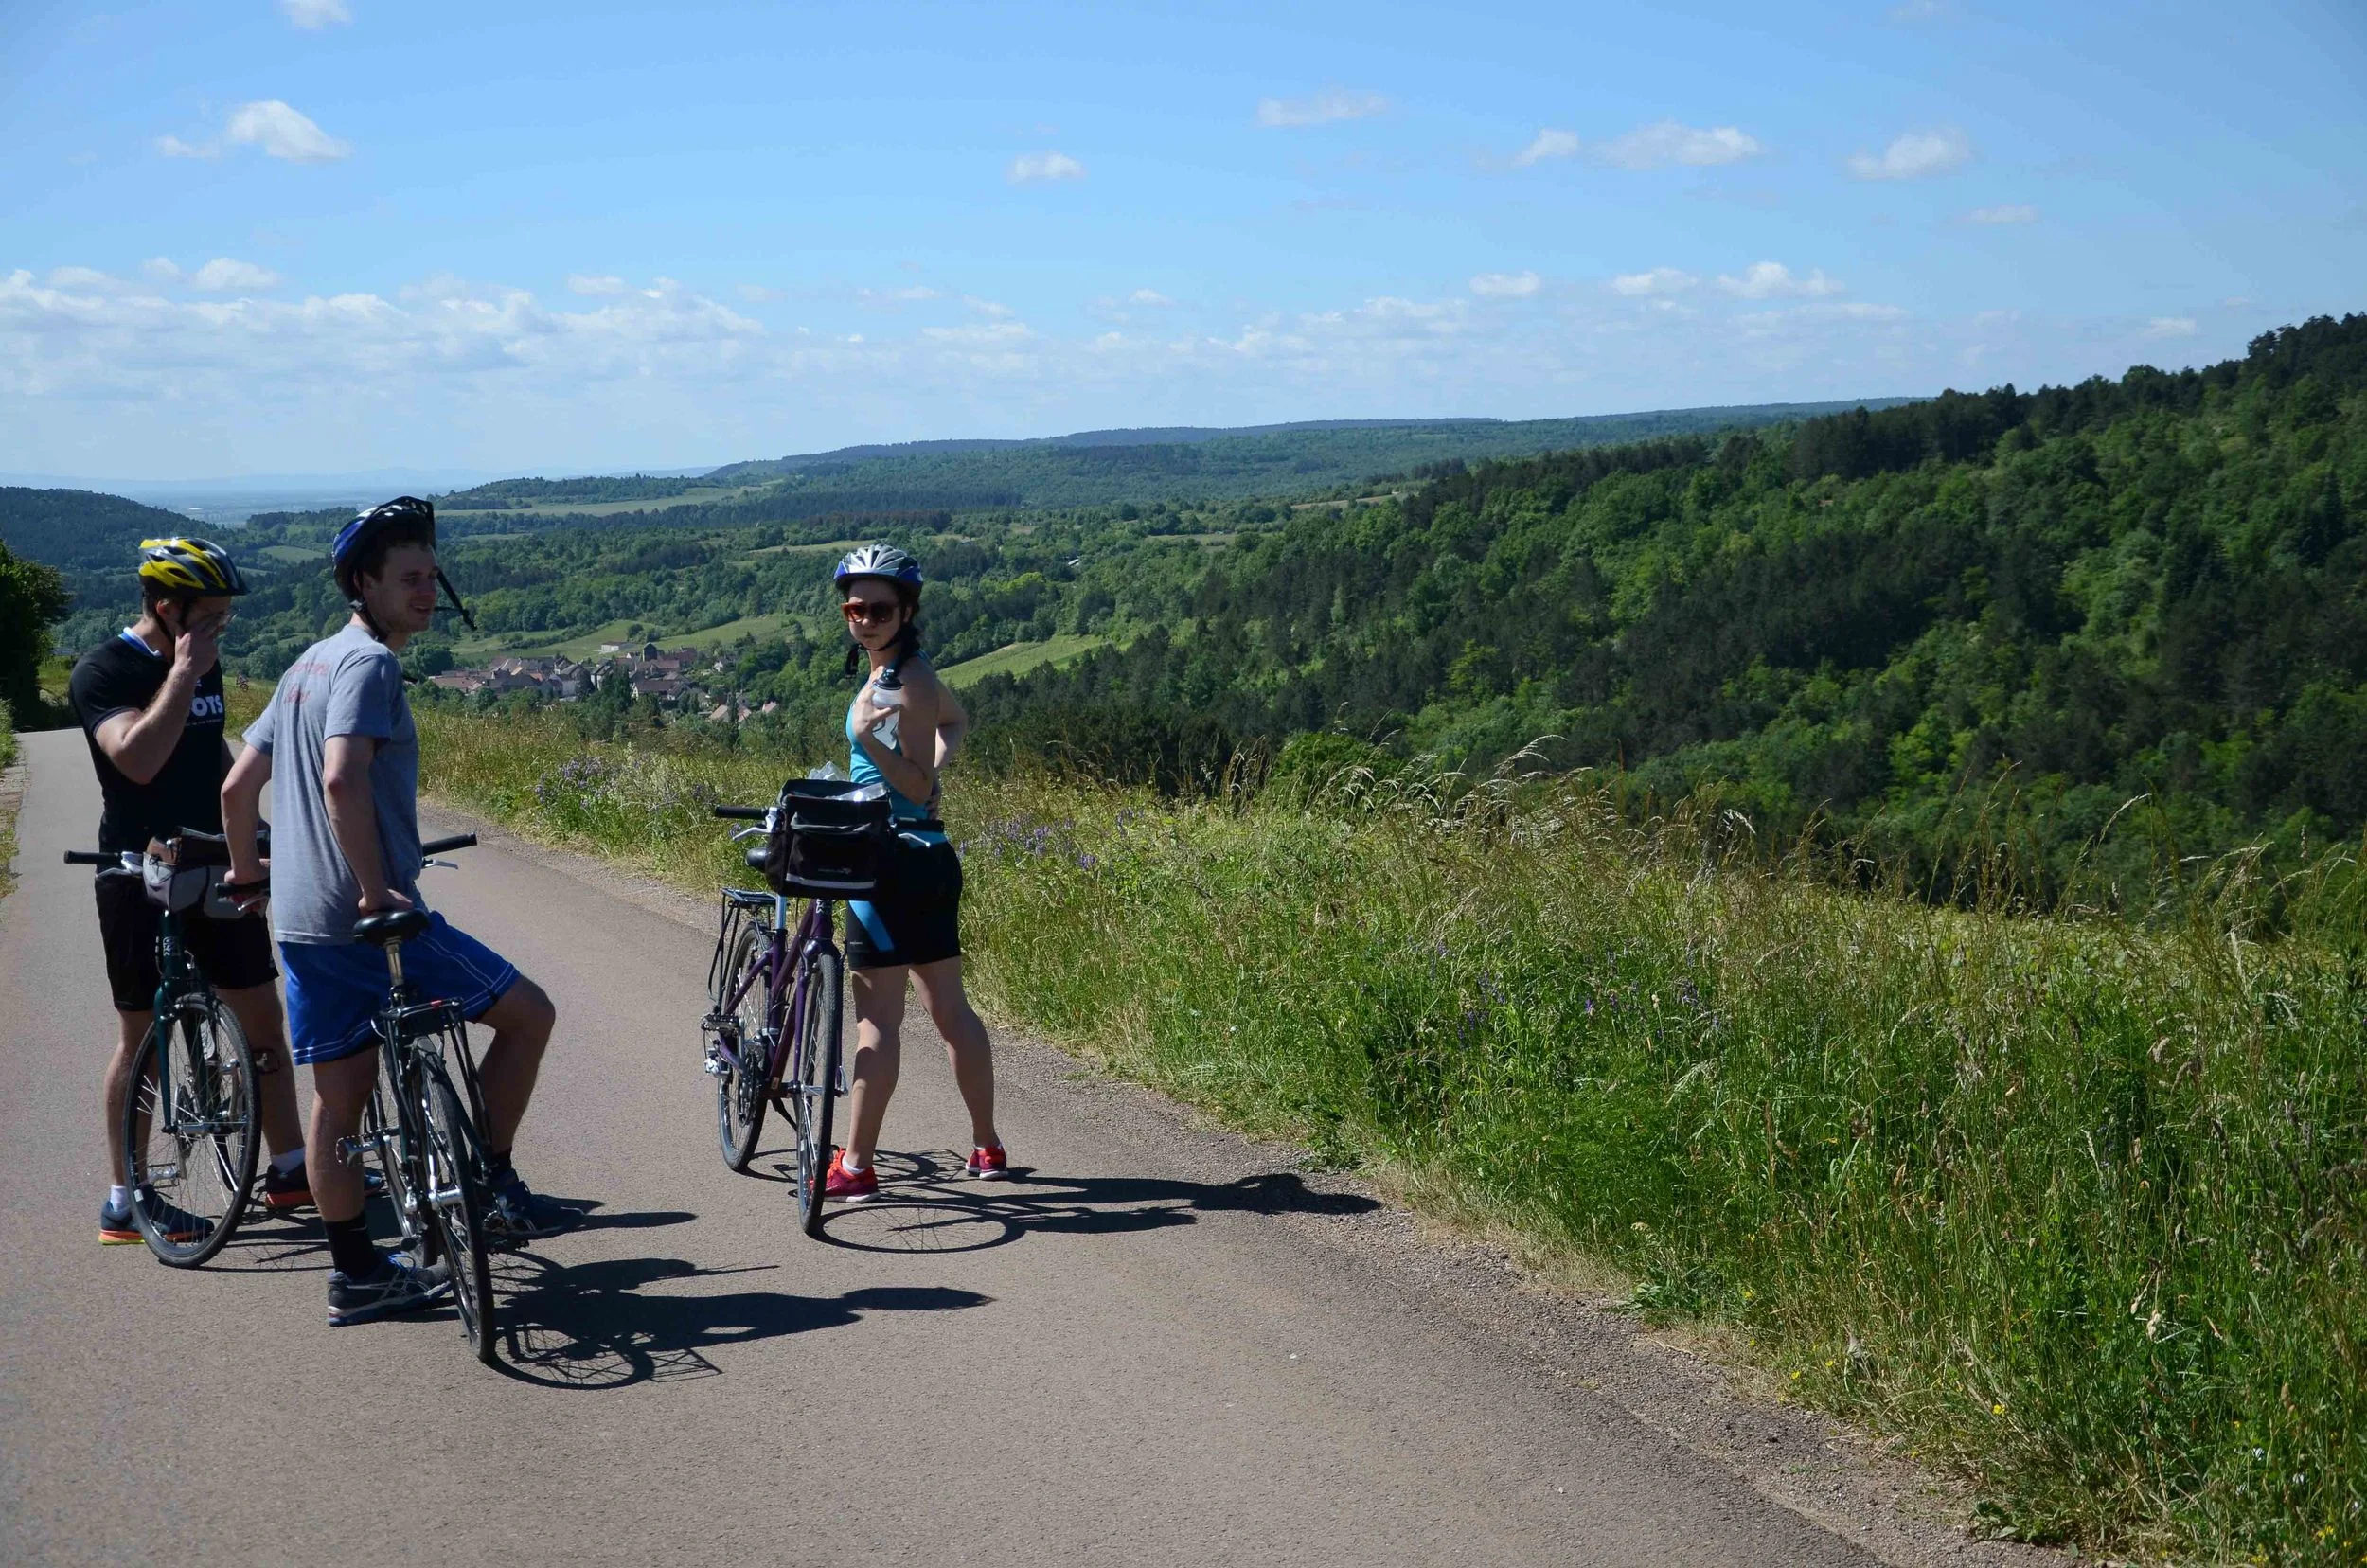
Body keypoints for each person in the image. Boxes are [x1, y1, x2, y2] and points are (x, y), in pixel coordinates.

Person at [222, 497, 563, 1327]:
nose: (425, 590)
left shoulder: (305, 665)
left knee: (339, 1104)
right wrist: (376, 887)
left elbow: (238, 786)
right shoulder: (368, 666)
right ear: (361, 583)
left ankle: (357, 1274)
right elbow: (342, 778)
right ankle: (489, 1180)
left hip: (302, 923)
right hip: (366, 919)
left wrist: (247, 875)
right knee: (528, 1016)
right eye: (407, 577)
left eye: (431, 575)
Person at [69, 538, 310, 1246]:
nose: (218, 631)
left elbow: (210, 751)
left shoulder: (200, 660)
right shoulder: (103, 671)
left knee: (262, 1018)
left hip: (213, 859)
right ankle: (126, 1195)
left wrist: (252, 827)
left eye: (224, 619)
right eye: (208, 617)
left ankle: (291, 1168)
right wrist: (181, 674)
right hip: (134, 871)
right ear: (165, 607)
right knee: (142, 1032)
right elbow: (137, 761)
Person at [821, 543, 1007, 1203]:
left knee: (878, 1023)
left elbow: (911, 776)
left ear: (905, 611)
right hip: (930, 857)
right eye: (853, 606)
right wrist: (932, 771)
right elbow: (955, 720)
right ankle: (986, 1146)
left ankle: (857, 1165)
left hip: (890, 865)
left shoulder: (901, 683)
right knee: (950, 1008)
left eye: (878, 608)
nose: (863, 619)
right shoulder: (913, 671)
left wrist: (876, 745)